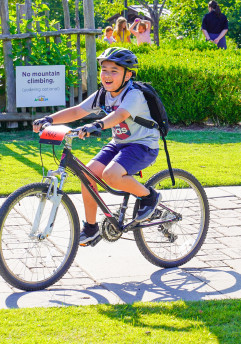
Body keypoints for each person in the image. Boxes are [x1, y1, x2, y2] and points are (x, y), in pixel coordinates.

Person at [32, 47, 160, 246]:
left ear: (128, 75)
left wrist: (97, 124)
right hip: (119, 143)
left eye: (114, 71)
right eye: (104, 70)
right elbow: (77, 111)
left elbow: (119, 116)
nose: (107, 75)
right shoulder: (103, 94)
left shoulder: (134, 94)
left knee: (111, 175)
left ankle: (149, 196)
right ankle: (91, 229)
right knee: (88, 175)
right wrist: (49, 119)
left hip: (142, 145)